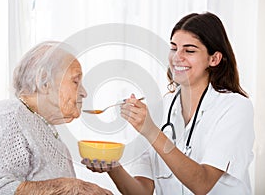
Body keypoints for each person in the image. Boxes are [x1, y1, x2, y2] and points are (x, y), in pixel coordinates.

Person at [82, 12, 255, 194]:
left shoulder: (235, 107)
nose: (176, 57)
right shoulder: (160, 109)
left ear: (214, 59)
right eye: (173, 48)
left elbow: (202, 184)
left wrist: (151, 131)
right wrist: (112, 166)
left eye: (189, 50)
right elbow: (142, 191)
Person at [0, 41, 113, 195]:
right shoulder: (9, 117)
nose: (84, 92)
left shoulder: (44, 127)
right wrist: (72, 187)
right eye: (76, 81)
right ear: (44, 81)